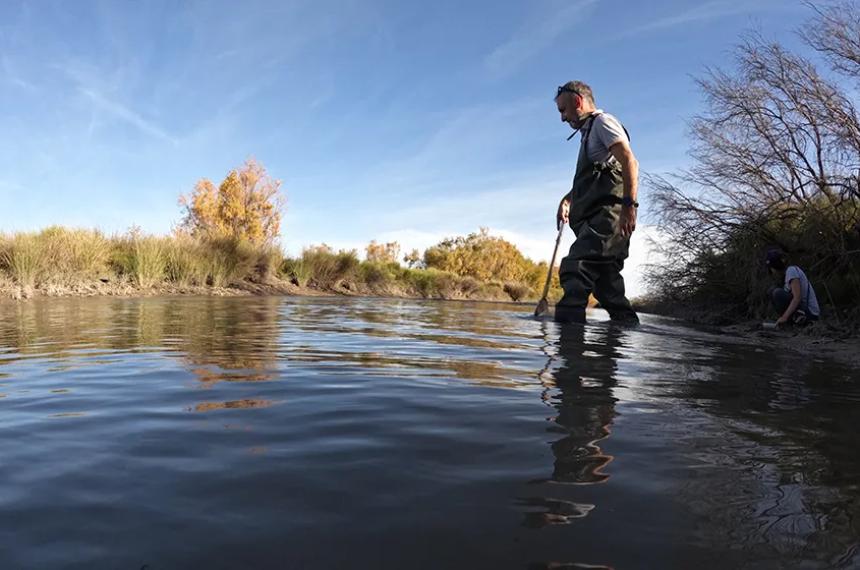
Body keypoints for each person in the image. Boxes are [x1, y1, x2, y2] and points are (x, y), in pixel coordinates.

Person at [553, 80, 639, 325]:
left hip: (609, 221)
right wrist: (568, 199)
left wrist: (628, 208)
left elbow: (630, 162)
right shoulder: (589, 133)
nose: (562, 118)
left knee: (575, 268)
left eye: (563, 110)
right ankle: (625, 330)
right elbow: (595, 178)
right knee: (606, 287)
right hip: (601, 222)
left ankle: (567, 345)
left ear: (578, 102)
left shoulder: (603, 123)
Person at [765, 249, 820, 326]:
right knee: (771, 291)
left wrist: (784, 317)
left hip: (810, 313)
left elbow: (797, 298)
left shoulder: (791, 271)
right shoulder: (785, 277)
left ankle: (791, 320)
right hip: (801, 310)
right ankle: (789, 321)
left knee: (777, 293)